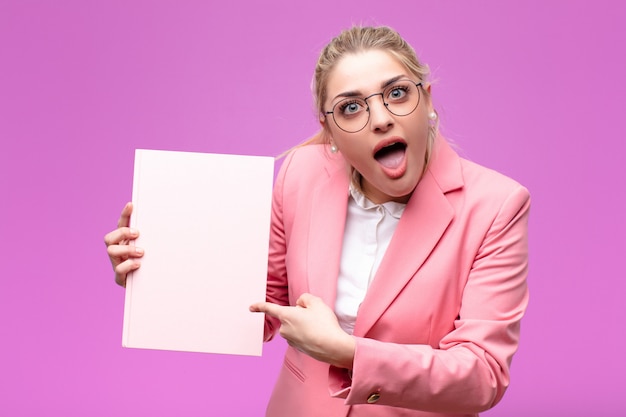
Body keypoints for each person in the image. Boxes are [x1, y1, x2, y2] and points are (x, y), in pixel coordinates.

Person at [104, 26, 530, 417]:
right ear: (329, 130)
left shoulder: (496, 205)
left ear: (428, 100)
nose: (381, 118)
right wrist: (156, 276)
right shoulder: (301, 173)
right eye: (351, 107)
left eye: (397, 93)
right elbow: (261, 307)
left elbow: (482, 376)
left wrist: (347, 352)